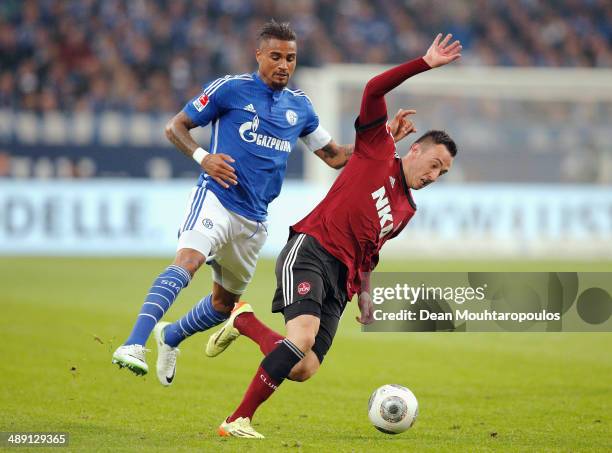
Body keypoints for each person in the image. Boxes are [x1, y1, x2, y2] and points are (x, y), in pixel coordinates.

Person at [111, 20, 414, 381]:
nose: (284, 65)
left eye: (291, 58)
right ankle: (133, 342)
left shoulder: (300, 107)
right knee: (188, 260)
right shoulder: (231, 90)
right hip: (217, 199)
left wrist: (381, 138)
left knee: (223, 305)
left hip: (254, 221)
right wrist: (202, 157)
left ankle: (171, 335)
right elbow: (175, 127)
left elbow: (333, 156)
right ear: (258, 56)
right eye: (276, 56)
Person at [203, 33, 461, 438]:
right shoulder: (378, 149)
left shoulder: (407, 210)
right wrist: (423, 63)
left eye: (441, 174)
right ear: (414, 150)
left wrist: (365, 294)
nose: (433, 176)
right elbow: (373, 89)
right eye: (433, 164)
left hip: (342, 281)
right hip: (312, 250)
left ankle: (245, 320)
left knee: (304, 368)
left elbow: (370, 252)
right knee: (300, 339)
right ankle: (237, 419)